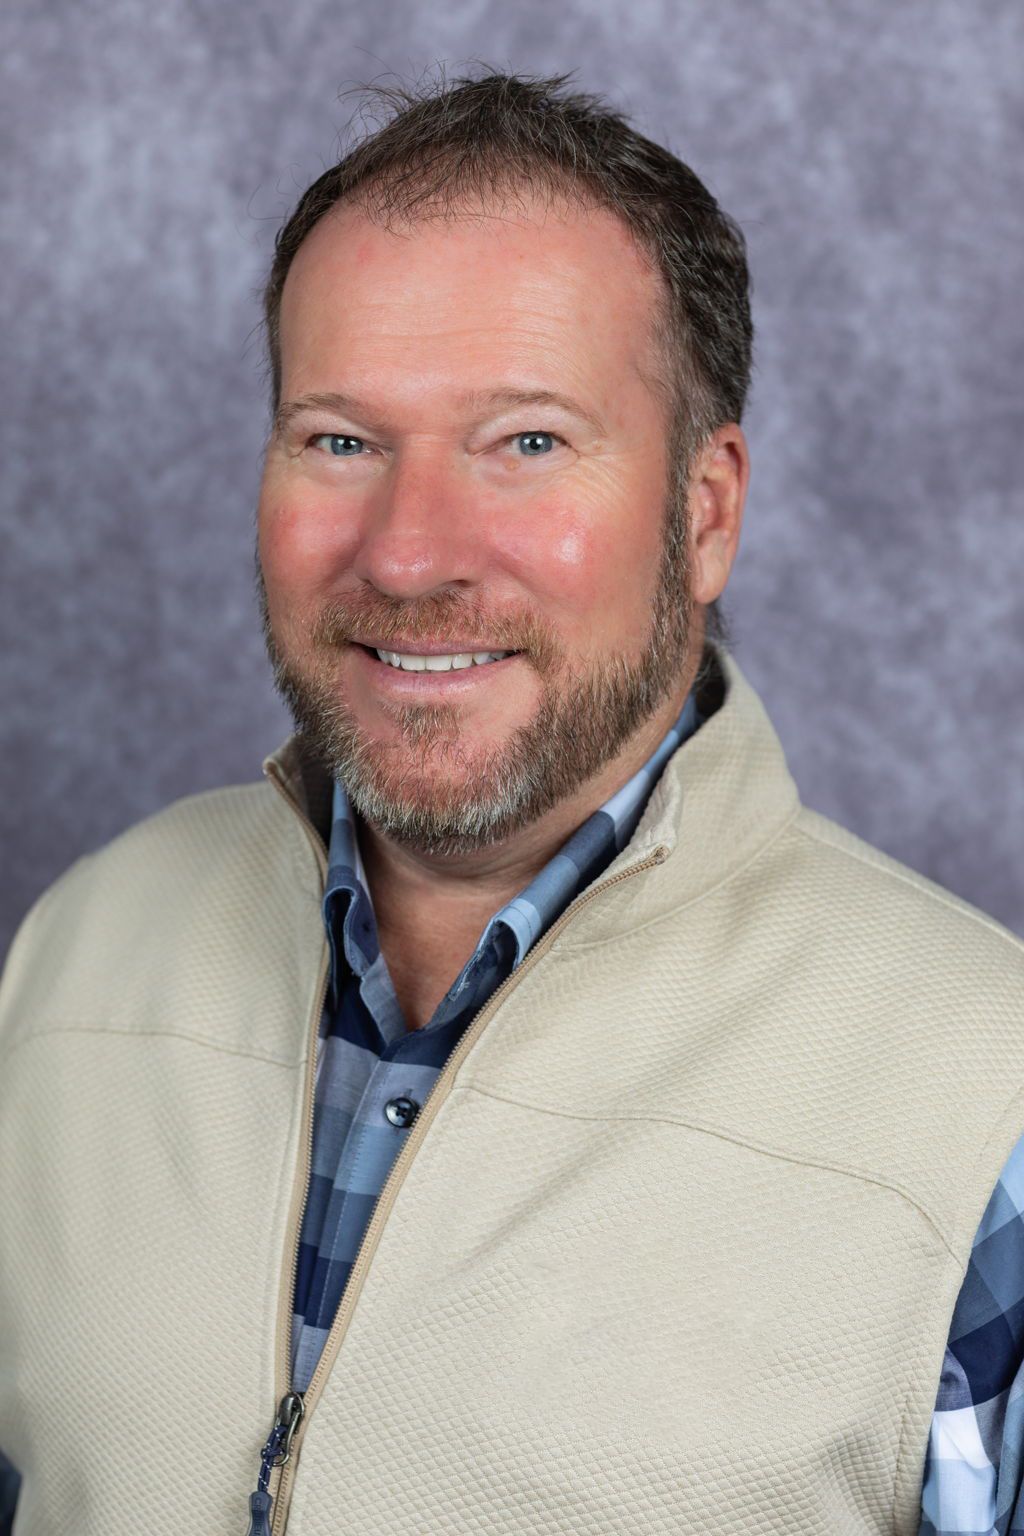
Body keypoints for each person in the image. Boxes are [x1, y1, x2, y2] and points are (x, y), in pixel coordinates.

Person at [0, 68, 1020, 1536]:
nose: (410, 556)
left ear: (706, 510)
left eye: (527, 441)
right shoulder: (72, 958)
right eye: (341, 439)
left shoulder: (988, 1105)